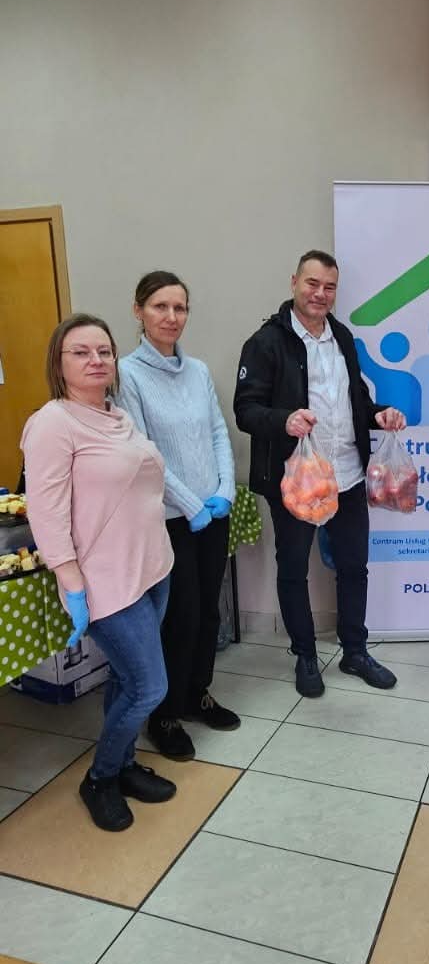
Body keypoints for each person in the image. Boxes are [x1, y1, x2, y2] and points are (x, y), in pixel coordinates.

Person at [22, 314, 176, 832]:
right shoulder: (52, 424)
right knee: (149, 687)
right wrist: (71, 583)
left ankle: (125, 765)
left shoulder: (118, 416)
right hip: (105, 581)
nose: (96, 360)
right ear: (59, 363)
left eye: (104, 351)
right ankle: (101, 777)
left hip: (152, 568)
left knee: (126, 677)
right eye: (81, 352)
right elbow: (45, 513)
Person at [234, 249, 406, 697]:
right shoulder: (266, 342)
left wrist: (379, 414)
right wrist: (284, 420)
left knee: (354, 566)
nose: (320, 294)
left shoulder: (342, 337)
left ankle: (355, 651)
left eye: (329, 287)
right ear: (294, 282)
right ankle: (306, 655)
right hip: (297, 480)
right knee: (293, 568)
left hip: (347, 474)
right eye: (312, 283)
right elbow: (245, 409)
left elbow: (355, 402)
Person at [118, 271, 238, 761]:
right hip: (169, 519)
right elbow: (143, 453)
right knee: (180, 617)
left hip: (213, 512)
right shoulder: (127, 374)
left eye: (180, 307)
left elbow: (217, 433)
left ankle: (196, 693)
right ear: (139, 311)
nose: (171, 317)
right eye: (160, 306)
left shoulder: (199, 371)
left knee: (209, 610)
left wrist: (224, 492)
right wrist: (190, 505)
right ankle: (164, 714)